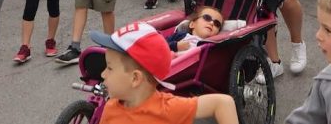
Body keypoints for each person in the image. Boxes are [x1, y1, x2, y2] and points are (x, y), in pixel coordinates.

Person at [91, 21, 239, 124]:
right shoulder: (110, 108)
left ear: (135, 78)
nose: (103, 74)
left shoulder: (167, 108)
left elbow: (223, 103)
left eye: (109, 68)